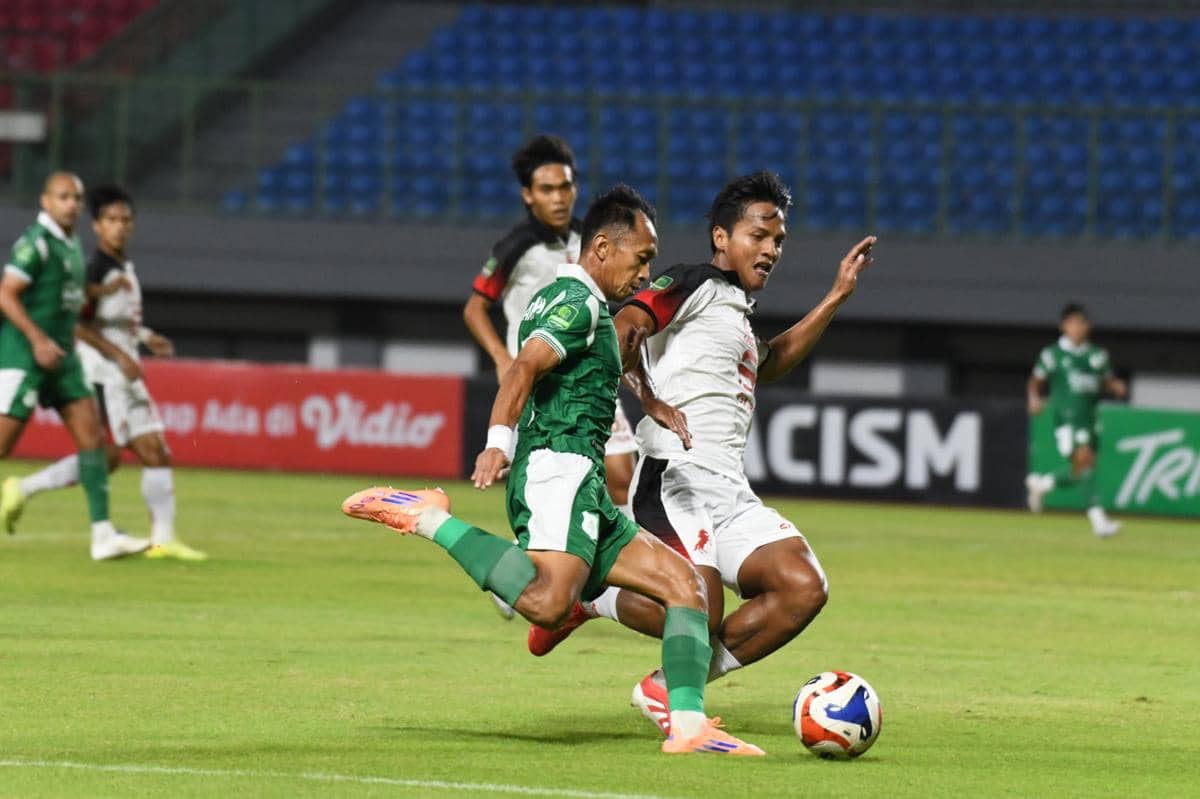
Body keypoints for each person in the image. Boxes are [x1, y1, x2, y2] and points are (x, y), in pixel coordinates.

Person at [343, 185, 763, 756]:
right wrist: (497, 442)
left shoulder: (587, 304)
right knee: (546, 604)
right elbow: (524, 368)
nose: (645, 272)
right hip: (556, 468)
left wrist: (653, 399)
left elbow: (603, 363)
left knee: (684, 587)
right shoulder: (575, 300)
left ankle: (689, 727)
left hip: (584, 476)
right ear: (602, 249)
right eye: (640, 257)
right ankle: (426, 518)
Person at [527, 171, 876, 739]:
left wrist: (836, 296)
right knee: (699, 610)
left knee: (802, 586)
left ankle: (667, 683)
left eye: (779, 242)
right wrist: (650, 397)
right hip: (674, 476)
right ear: (721, 237)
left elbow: (773, 358)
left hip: (728, 487)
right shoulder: (691, 282)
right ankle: (593, 595)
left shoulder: (736, 312)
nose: (770, 250)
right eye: (759, 235)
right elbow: (625, 326)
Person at [462, 134, 638, 618]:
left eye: (566, 186)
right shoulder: (515, 245)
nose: (559, 197)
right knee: (544, 485)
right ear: (528, 195)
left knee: (623, 474)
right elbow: (475, 308)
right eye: (547, 189)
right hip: (541, 382)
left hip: (587, 376)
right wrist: (503, 357)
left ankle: (590, 574)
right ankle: (528, 573)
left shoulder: (591, 238)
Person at [1, 184, 205, 560]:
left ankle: (162, 541)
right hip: (102, 372)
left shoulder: (117, 267)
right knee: (106, 454)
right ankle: (23, 489)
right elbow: (77, 323)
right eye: (111, 220)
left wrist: (145, 337)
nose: (120, 227)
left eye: (126, 220)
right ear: (96, 225)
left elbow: (117, 320)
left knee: (155, 452)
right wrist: (118, 355)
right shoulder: (90, 265)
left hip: (125, 370)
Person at [0, 172, 147, 560]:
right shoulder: (37, 244)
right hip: (24, 357)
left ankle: (103, 536)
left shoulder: (70, 245)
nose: (72, 204)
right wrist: (36, 338)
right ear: (45, 201)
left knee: (93, 442)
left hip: (63, 362)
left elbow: (72, 297)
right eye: (63, 197)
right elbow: (6, 294)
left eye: (77, 198)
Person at [1024, 302, 1127, 537]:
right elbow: (1035, 381)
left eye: (1082, 323)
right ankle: (1099, 521)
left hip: (1090, 418)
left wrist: (1116, 386)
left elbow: (1106, 380)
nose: (1078, 328)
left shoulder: (1097, 356)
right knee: (1085, 459)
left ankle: (1042, 484)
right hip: (1066, 418)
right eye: (1073, 323)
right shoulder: (1053, 355)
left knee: (1082, 469)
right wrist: (1034, 399)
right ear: (1064, 326)